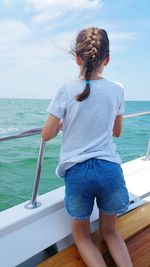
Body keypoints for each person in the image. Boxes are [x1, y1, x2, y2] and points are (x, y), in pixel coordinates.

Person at [42, 27, 133, 267]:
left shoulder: (66, 89)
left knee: (82, 237)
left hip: (78, 173)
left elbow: (46, 134)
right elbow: (117, 132)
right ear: (108, 59)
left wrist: (63, 124)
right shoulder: (118, 89)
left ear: (77, 58)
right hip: (110, 169)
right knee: (111, 232)